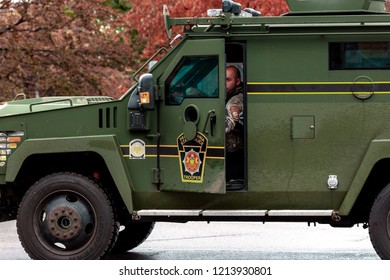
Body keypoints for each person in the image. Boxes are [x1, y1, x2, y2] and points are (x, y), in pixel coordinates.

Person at [225, 65, 244, 184]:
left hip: (236, 151)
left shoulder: (236, 99)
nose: (224, 83)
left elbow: (232, 120)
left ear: (237, 81)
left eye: (228, 79)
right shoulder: (228, 94)